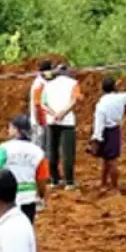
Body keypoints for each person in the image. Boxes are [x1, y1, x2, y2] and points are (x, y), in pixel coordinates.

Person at [91, 78, 126, 191]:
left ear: (102, 89)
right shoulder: (120, 98)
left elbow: (99, 122)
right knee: (111, 159)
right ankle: (111, 185)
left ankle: (108, 185)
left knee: (107, 161)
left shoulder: (101, 104)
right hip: (114, 130)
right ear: (114, 87)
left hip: (104, 132)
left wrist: (96, 138)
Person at [0, 116, 48, 222]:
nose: (8, 130)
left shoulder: (4, 148)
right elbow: (41, 179)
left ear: (16, 130)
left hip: (6, 199)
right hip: (28, 198)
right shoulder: (38, 152)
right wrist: (41, 196)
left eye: (10, 128)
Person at [36, 60, 81, 188]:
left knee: (52, 151)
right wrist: (63, 113)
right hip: (67, 122)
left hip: (52, 120)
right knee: (67, 153)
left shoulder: (48, 85)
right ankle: (69, 182)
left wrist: (54, 114)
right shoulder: (73, 83)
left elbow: (42, 104)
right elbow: (74, 100)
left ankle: (54, 180)